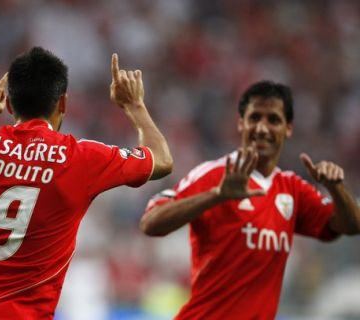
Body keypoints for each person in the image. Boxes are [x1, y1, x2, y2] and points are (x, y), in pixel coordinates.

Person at [0, 47, 173, 319]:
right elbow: (161, 161)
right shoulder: (81, 157)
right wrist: (134, 105)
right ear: (63, 104)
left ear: (9, 105)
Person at [140, 80, 360, 320]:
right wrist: (217, 195)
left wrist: (336, 189)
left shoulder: (292, 188)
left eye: (273, 120)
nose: (262, 128)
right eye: (255, 118)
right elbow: (150, 222)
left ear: (288, 128)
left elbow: (350, 226)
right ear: (240, 123)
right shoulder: (215, 174)